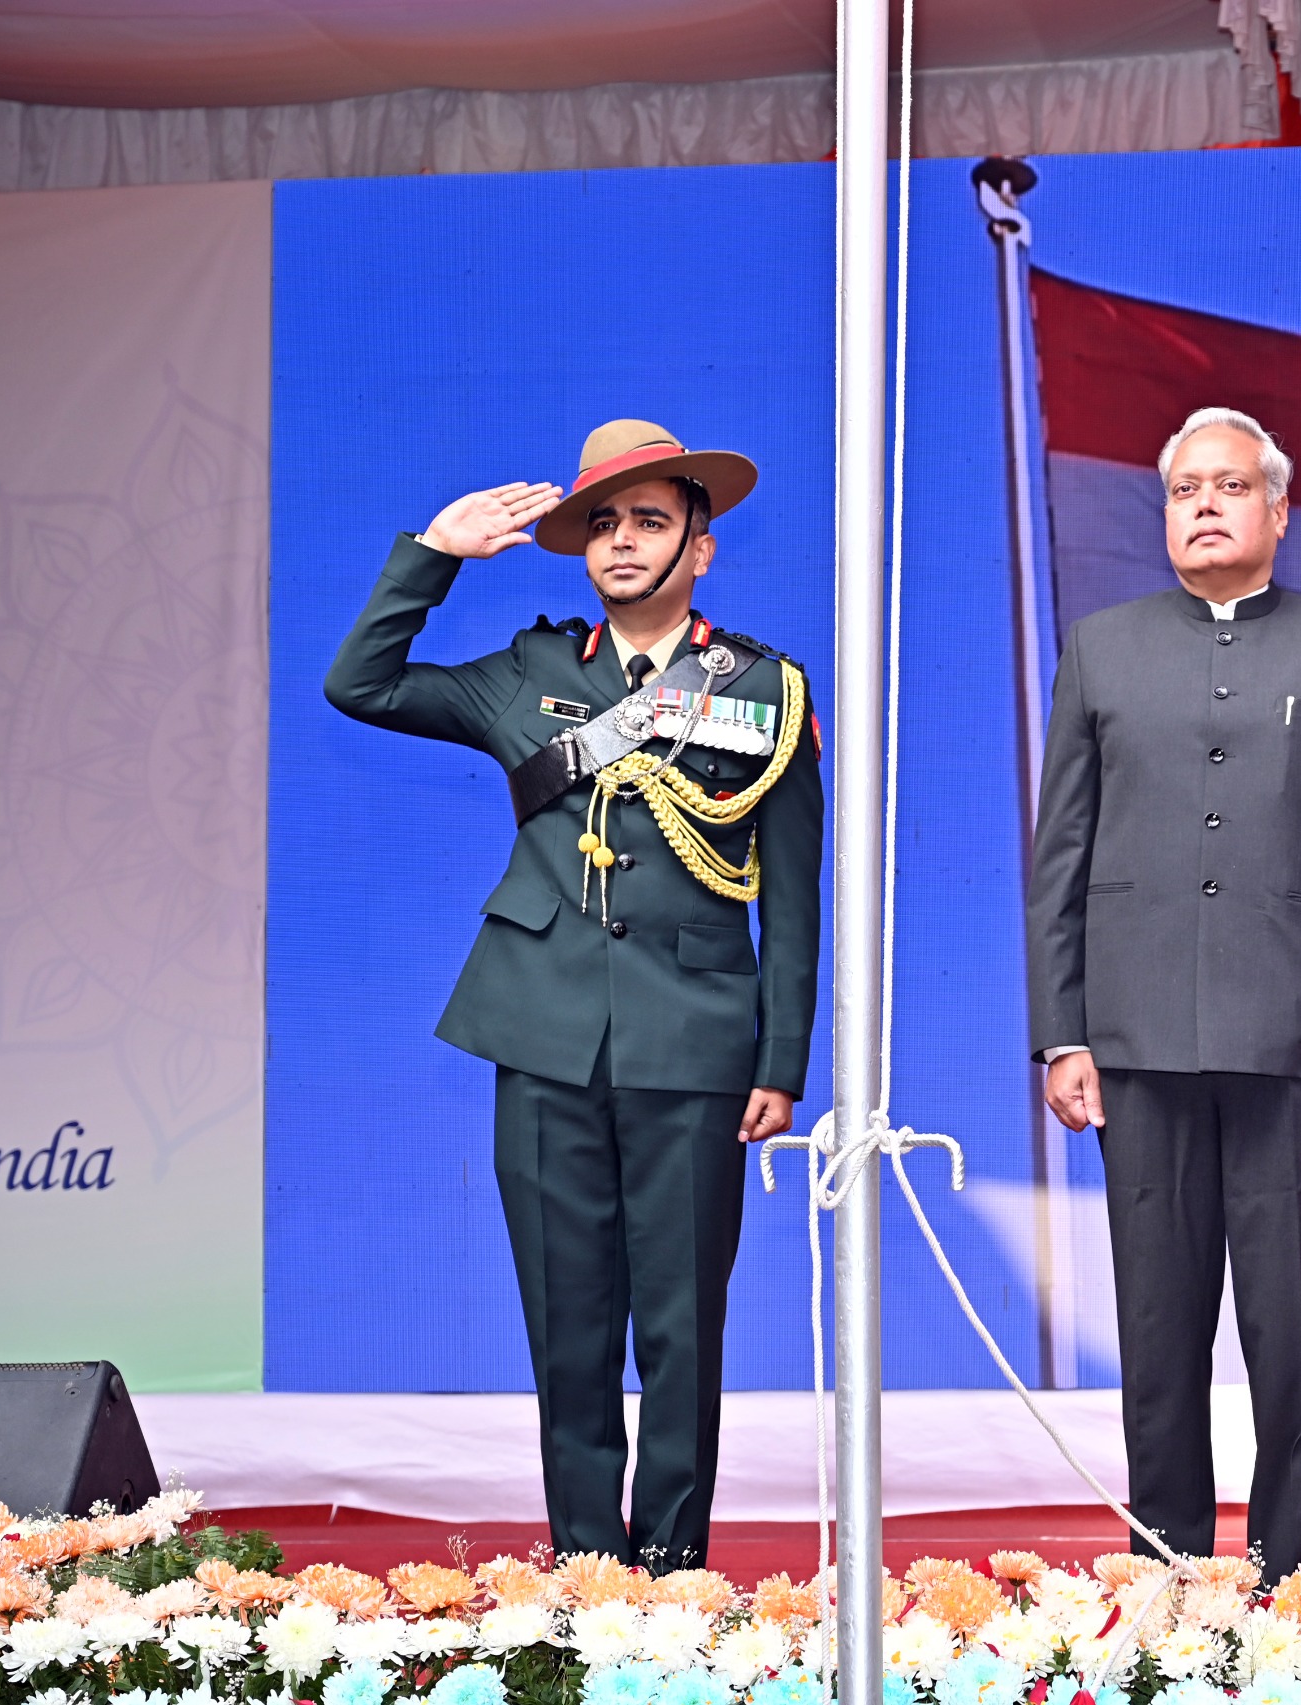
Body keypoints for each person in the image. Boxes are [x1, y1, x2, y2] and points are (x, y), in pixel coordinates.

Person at [325, 419, 824, 1566]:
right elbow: (360, 682)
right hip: (542, 1030)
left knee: (683, 1332)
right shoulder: (532, 670)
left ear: (701, 546)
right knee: (569, 1328)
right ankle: (592, 1575)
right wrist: (434, 553)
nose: (620, 542)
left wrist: (778, 1057)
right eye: (601, 523)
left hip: (695, 1043)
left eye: (649, 520)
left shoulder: (763, 690)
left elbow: (792, 893)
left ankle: (674, 1572)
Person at [1026, 406, 1301, 1582]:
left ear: (1278, 510)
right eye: (1183, 489)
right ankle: (1166, 1573)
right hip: (1135, 1038)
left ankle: (1293, 1577)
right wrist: (1061, 1031)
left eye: (1229, 486)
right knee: (1156, 1333)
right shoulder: (1102, 648)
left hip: (1300, 1039)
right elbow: (1060, 856)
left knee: (1292, 1337)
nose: (1203, 504)